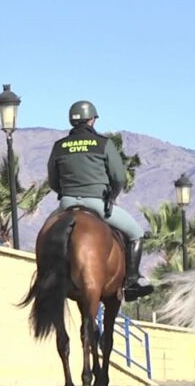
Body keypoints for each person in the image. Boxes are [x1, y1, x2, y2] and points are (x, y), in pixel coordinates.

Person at [47, 100, 153, 302]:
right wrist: (111, 195)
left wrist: (66, 192)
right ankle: (131, 281)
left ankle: (44, 276)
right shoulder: (103, 144)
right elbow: (119, 177)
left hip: (66, 204)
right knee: (136, 233)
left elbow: (53, 180)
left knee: (46, 234)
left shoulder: (59, 146)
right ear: (92, 119)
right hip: (97, 203)